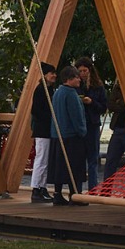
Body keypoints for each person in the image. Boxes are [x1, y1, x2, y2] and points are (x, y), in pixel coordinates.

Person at [48, 64, 87, 205]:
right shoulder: (71, 94)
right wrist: (82, 131)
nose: (79, 80)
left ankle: (57, 193)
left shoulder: (58, 92)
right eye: (77, 77)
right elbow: (76, 116)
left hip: (58, 135)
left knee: (60, 166)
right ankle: (75, 194)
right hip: (71, 136)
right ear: (70, 79)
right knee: (74, 166)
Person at [28, 62, 58, 204]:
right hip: (43, 129)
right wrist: (50, 117)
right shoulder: (41, 90)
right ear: (45, 75)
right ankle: (36, 188)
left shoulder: (50, 90)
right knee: (41, 159)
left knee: (45, 160)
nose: (54, 75)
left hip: (47, 129)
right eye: (51, 73)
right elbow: (36, 111)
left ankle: (42, 187)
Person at [76, 57, 107, 189]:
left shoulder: (98, 87)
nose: (83, 73)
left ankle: (93, 188)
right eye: (80, 71)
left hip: (92, 124)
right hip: (80, 124)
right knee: (79, 158)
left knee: (93, 158)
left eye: (85, 70)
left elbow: (103, 107)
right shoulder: (75, 86)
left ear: (90, 70)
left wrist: (92, 102)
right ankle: (77, 187)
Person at [102, 81, 125, 180]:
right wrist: (122, 103)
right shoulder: (118, 86)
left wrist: (120, 102)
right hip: (118, 128)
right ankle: (106, 190)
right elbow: (110, 104)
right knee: (111, 160)